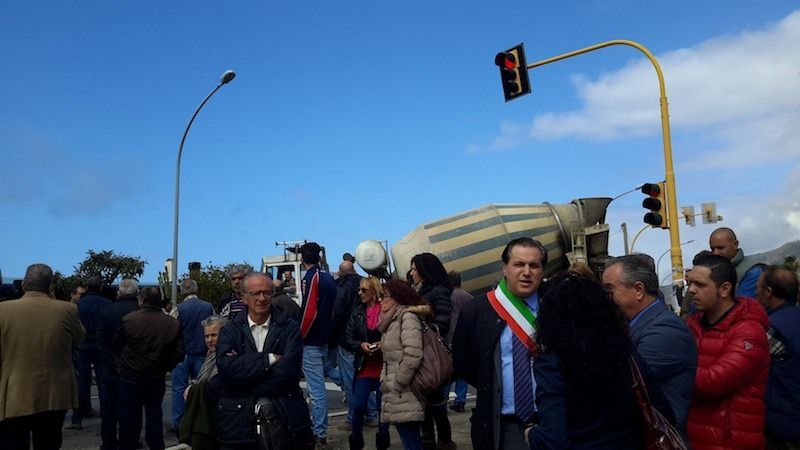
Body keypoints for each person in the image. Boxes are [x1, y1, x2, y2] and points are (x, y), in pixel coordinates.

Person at [526, 271, 644, 449]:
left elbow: (553, 440)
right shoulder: (625, 352)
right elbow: (658, 404)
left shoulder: (551, 363)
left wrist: (531, 434)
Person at [453, 237, 544, 450]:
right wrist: (490, 383)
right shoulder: (476, 311)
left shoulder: (557, 307)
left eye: (534, 265)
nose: (526, 272)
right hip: (501, 427)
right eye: (519, 264)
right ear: (505, 268)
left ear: (542, 270)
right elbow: (463, 363)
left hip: (551, 423)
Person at [215, 272, 313, 450]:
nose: (262, 298)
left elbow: (289, 373)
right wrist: (270, 359)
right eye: (256, 293)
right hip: (238, 422)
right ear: (244, 297)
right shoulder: (230, 330)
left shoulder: (289, 328)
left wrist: (244, 379)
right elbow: (226, 369)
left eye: (266, 293)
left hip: (285, 416)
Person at [602, 254, 697, 434]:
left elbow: (617, 383)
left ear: (639, 290)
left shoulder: (665, 330)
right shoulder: (635, 325)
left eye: (609, 290)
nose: (604, 298)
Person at [685, 254, 770, 450]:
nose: (691, 290)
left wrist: (672, 372)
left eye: (700, 284)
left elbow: (714, 382)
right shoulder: (691, 326)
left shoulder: (749, 331)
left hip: (730, 441)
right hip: (695, 437)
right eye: (690, 283)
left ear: (724, 289)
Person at [0, 263, 86, 449]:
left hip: (14, 392)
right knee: (49, 441)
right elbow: (80, 337)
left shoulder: (3, 310)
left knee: (13, 442)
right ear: (50, 287)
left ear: (24, 284)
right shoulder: (67, 310)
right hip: (55, 392)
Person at [114, 287, 184, 450]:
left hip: (131, 374)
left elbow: (117, 344)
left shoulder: (129, 319)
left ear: (141, 300)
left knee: (129, 419)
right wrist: (166, 367)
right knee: (154, 417)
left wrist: (122, 364)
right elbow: (179, 351)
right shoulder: (172, 323)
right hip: (156, 375)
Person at [410, 253, 455, 450]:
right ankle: (431, 439)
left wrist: (422, 328)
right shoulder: (416, 290)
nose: (411, 273)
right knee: (426, 401)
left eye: (414, 269)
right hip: (419, 351)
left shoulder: (438, 291)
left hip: (432, 353)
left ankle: (442, 441)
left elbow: (443, 321)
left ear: (424, 271)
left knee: (435, 402)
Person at [377, 278, 429, 450]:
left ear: (396, 297)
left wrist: (397, 383)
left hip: (405, 390)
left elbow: (413, 355)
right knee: (409, 440)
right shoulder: (391, 320)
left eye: (384, 296)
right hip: (397, 390)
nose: (380, 300)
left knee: (411, 441)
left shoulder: (406, 317)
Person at [343, 276, 392, 450]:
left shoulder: (386, 310)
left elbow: (394, 334)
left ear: (373, 291)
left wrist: (382, 344)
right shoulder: (357, 312)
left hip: (382, 365)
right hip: (364, 365)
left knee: (382, 407)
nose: (360, 293)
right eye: (359, 290)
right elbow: (348, 337)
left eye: (364, 290)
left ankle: (383, 439)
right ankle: (356, 440)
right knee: (358, 406)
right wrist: (360, 345)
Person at [297, 242, 338, 449]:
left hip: (311, 338)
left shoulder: (311, 277)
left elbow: (309, 310)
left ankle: (319, 431)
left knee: (316, 389)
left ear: (302, 258)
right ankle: (361, 396)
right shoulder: (328, 277)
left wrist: (300, 334)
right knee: (332, 373)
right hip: (325, 336)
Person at [756, 265, 800, 449]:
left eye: (758, 288)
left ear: (768, 292)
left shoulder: (773, 328)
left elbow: (750, 362)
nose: (756, 294)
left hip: (785, 418)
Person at [97, 278, 141, 450]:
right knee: (132, 409)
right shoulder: (139, 311)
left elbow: (101, 340)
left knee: (109, 409)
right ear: (137, 293)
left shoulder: (107, 310)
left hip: (111, 367)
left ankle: (108, 441)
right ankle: (129, 441)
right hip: (134, 367)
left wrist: (110, 361)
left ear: (119, 292)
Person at [172, 279, 215, 432]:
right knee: (201, 389)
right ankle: (200, 421)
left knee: (178, 389)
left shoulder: (178, 309)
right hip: (203, 353)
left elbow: (171, 329)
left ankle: (178, 423)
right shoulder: (208, 307)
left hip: (182, 355)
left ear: (182, 292)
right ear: (196, 290)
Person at [180, 315, 228, 450]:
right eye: (207, 336)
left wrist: (194, 389)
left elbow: (215, 385)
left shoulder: (227, 356)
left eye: (214, 335)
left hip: (216, 417)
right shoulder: (211, 354)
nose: (209, 340)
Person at [70, 275, 111, 429]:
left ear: (87, 288)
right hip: (100, 346)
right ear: (100, 287)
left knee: (82, 382)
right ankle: (106, 416)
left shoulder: (78, 305)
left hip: (83, 346)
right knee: (102, 382)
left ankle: (77, 418)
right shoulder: (107, 304)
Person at [332, 260, 365, 430]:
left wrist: (333, 336)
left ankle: (354, 418)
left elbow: (337, 313)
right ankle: (371, 413)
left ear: (340, 272)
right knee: (363, 377)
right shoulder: (364, 283)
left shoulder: (341, 287)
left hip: (346, 337)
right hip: (363, 336)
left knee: (350, 379)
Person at [709, 227, 764, 298]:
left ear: (735, 244)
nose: (715, 253)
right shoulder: (717, 271)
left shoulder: (753, 271)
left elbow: (744, 302)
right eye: (713, 249)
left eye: (720, 248)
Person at [447, 271, 473, 414]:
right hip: (466, 336)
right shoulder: (468, 296)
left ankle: (444, 400)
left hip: (451, 337)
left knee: (448, 372)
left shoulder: (449, 296)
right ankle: (460, 401)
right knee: (463, 372)